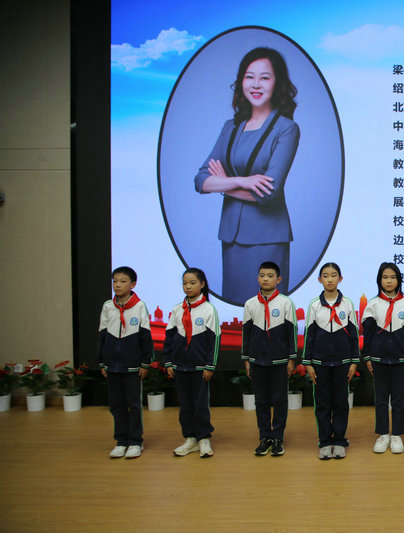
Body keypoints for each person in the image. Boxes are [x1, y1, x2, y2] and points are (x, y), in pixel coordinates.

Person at [194, 47, 300, 304]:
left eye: (265, 77)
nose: (256, 84)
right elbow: (200, 180)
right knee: (238, 315)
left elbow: (268, 193)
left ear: (278, 83)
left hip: (267, 238)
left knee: (269, 313)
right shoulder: (230, 127)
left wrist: (222, 184)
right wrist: (243, 181)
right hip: (232, 238)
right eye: (249, 76)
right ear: (241, 82)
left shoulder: (286, 129)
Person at [302, 263, 359, 460]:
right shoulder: (314, 305)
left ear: (340, 279)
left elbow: (354, 335)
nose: (329, 279)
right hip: (320, 363)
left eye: (333, 275)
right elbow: (309, 335)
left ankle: (340, 440)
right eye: (325, 276)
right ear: (320, 280)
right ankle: (325, 441)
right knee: (323, 403)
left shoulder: (347, 304)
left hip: (343, 363)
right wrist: (308, 363)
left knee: (341, 403)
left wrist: (354, 361)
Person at [97, 266, 154, 459]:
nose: (117, 285)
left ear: (133, 284)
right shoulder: (108, 306)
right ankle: (121, 441)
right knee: (116, 405)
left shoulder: (139, 306)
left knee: (133, 404)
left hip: (132, 365)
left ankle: (136, 441)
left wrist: (145, 363)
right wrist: (102, 362)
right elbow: (102, 335)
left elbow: (146, 337)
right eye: (115, 281)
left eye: (123, 281)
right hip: (112, 365)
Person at [242, 261, 297, 457]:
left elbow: (291, 333)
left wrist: (291, 359)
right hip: (257, 361)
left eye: (270, 276)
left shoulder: (285, 303)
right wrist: (247, 359)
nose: (266, 279)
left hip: (280, 361)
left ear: (278, 279)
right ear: (257, 278)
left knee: (280, 400)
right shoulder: (250, 304)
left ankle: (278, 437)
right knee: (261, 401)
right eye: (262, 275)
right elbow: (246, 334)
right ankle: (264, 436)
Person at [164, 268, 220, 458]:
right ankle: (190, 438)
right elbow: (169, 337)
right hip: (180, 367)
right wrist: (168, 362)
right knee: (185, 405)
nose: (188, 286)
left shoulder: (208, 309)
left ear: (202, 284)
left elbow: (215, 340)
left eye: (192, 283)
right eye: (185, 283)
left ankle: (204, 438)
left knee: (200, 404)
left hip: (200, 368)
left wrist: (210, 365)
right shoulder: (177, 309)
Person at [361, 262, 404, 454]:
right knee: (381, 399)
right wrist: (367, 356)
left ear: (399, 280)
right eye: (385, 277)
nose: (389, 281)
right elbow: (368, 333)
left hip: (401, 358)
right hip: (378, 358)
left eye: (393, 277)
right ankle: (383, 434)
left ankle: (397, 434)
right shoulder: (373, 304)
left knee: (399, 398)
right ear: (379, 280)